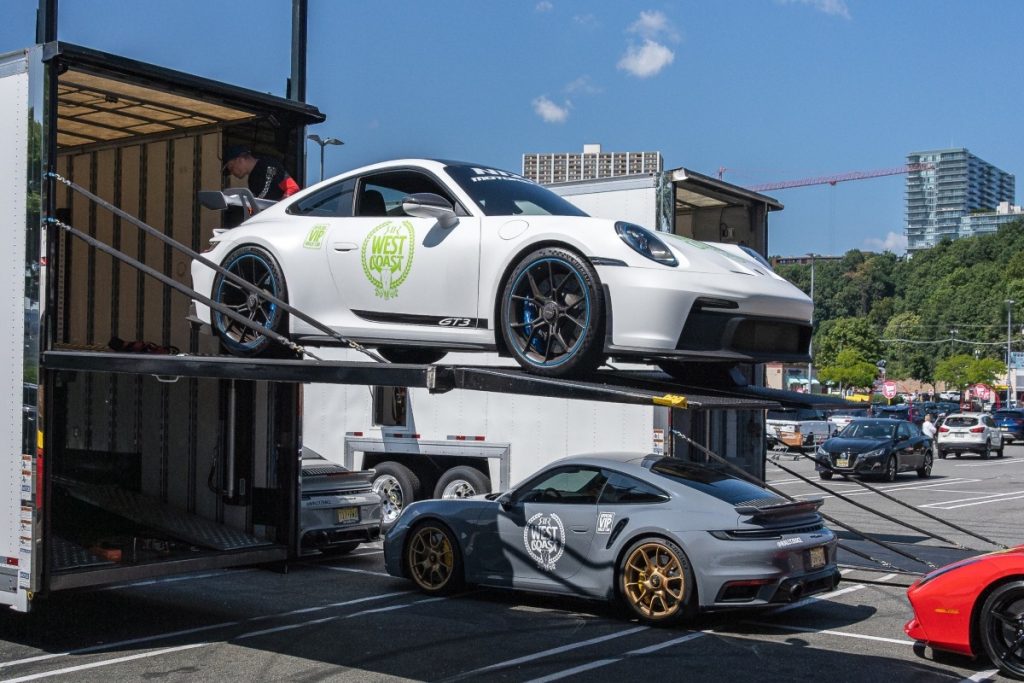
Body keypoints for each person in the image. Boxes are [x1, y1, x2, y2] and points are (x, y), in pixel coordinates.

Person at [222, 145, 300, 201]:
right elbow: (254, 204)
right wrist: (250, 214)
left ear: (240, 159)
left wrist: (280, 207)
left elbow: (293, 188)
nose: (232, 172)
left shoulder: (269, 164)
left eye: (231, 167)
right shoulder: (252, 180)